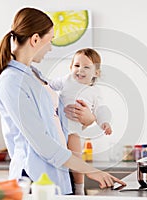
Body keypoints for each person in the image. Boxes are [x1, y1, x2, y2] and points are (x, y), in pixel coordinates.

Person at [0, 7, 126, 195]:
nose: (50, 48)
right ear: (35, 40)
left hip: (59, 176)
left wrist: (88, 119)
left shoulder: (35, 76)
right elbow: (43, 143)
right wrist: (90, 170)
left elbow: (58, 124)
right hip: (36, 179)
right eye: (50, 41)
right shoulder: (11, 81)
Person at [49, 48, 112, 195]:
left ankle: (79, 188)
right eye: (76, 66)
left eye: (86, 67)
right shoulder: (66, 80)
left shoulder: (95, 92)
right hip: (58, 127)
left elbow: (100, 110)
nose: (80, 70)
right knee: (59, 157)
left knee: (76, 158)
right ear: (70, 68)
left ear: (96, 72)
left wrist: (104, 123)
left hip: (73, 130)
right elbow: (49, 85)